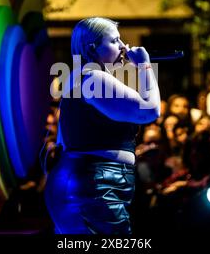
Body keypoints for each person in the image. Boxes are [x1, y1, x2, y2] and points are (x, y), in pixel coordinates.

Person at [44, 17, 161, 234]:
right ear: (92, 47)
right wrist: (145, 66)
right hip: (95, 183)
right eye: (115, 41)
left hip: (85, 180)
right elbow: (150, 111)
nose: (124, 47)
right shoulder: (93, 78)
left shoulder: (80, 77)